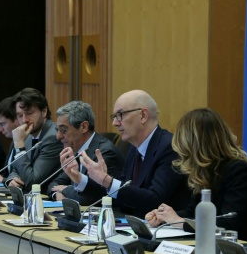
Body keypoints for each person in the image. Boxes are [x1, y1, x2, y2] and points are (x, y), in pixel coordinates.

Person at [78, 89, 190, 219]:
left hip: (166, 233)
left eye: (120, 115)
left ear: (143, 115)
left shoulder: (169, 147)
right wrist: (80, 179)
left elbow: (155, 200)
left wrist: (106, 180)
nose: (114, 123)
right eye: (114, 117)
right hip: (134, 227)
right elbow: (122, 195)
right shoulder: (134, 148)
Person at [144, 108, 247, 240]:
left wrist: (178, 221)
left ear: (195, 144)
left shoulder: (238, 170)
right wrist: (164, 217)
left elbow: (228, 223)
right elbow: (192, 212)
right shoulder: (205, 170)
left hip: (235, 250)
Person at [47, 101, 125, 205]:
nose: (58, 136)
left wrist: (66, 189)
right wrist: (57, 195)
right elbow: (53, 184)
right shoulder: (77, 149)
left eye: (63, 130)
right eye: (57, 129)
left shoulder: (104, 152)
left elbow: (89, 199)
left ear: (84, 127)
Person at [4, 88, 63, 193]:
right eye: (20, 115)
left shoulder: (53, 137)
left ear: (44, 111)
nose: (24, 120)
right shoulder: (27, 135)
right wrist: (11, 179)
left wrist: (18, 144)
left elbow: (33, 182)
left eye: (29, 113)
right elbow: (17, 168)